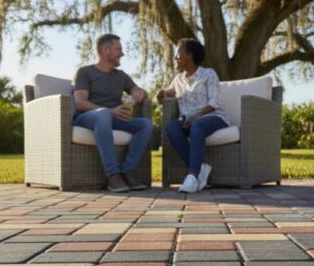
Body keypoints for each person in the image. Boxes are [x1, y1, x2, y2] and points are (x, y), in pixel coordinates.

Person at [72, 34, 153, 193]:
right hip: (87, 118)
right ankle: (113, 175)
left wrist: (139, 92)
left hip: (113, 118)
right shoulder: (84, 72)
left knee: (145, 124)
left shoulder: (121, 76)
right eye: (118, 49)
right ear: (106, 50)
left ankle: (127, 171)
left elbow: (141, 92)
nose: (122, 53)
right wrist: (109, 111)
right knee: (103, 114)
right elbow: (80, 103)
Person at [157, 38, 229, 193]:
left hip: (214, 118)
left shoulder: (208, 74)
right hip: (188, 122)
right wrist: (162, 95)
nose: (175, 57)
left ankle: (192, 175)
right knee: (171, 127)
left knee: (198, 124)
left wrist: (197, 115)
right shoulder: (178, 79)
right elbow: (169, 93)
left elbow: (215, 102)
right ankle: (200, 168)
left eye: (178, 53)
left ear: (189, 55)